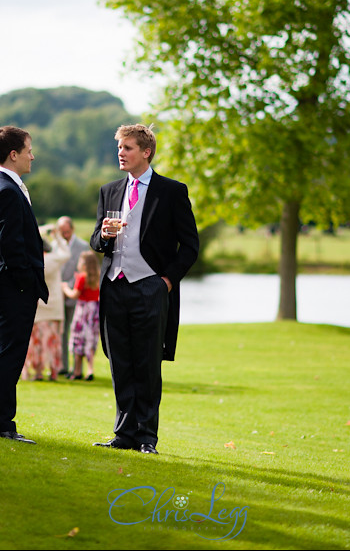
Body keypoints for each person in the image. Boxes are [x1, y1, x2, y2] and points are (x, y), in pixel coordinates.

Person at [90, 124, 199, 454]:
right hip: (114, 286)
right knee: (120, 362)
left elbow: (190, 245)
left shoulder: (172, 191)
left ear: (146, 152)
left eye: (127, 148)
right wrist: (106, 236)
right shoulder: (109, 191)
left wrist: (165, 281)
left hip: (150, 288)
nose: (120, 153)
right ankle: (123, 434)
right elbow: (96, 242)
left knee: (148, 364)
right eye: (119, 148)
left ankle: (146, 438)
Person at [0, 126, 48, 444]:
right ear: (14, 154)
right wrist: (27, 283)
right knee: (8, 353)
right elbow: (10, 245)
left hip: (3, 283)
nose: (33, 155)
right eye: (29, 149)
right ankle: (0, 423)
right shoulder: (6, 189)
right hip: (12, 286)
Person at [22, 227, 70, 381]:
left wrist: (39, 231)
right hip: (53, 305)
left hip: (36, 305)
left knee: (35, 342)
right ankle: (54, 371)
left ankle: (37, 371)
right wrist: (57, 236)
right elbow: (66, 253)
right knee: (52, 342)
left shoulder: (31, 260)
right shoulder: (53, 259)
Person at [61, 250, 101, 381]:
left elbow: (74, 295)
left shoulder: (82, 277)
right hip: (94, 310)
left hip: (83, 310)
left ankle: (77, 370)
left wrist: (65, 288)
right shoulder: (98, 277)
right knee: (90, 340)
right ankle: (90, 369)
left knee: (78, 339)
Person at [57, 216, 89, 377]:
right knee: (61, 332)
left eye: (67, 232)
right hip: (58, 297)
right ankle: (62, 366)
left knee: (79, 333)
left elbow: (84, 272)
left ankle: (78, 369)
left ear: (72, 229)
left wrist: (68, 287)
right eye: (62, 232)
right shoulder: (55, 246)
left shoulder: (83, 246)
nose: (64, 235)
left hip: (76, 296)